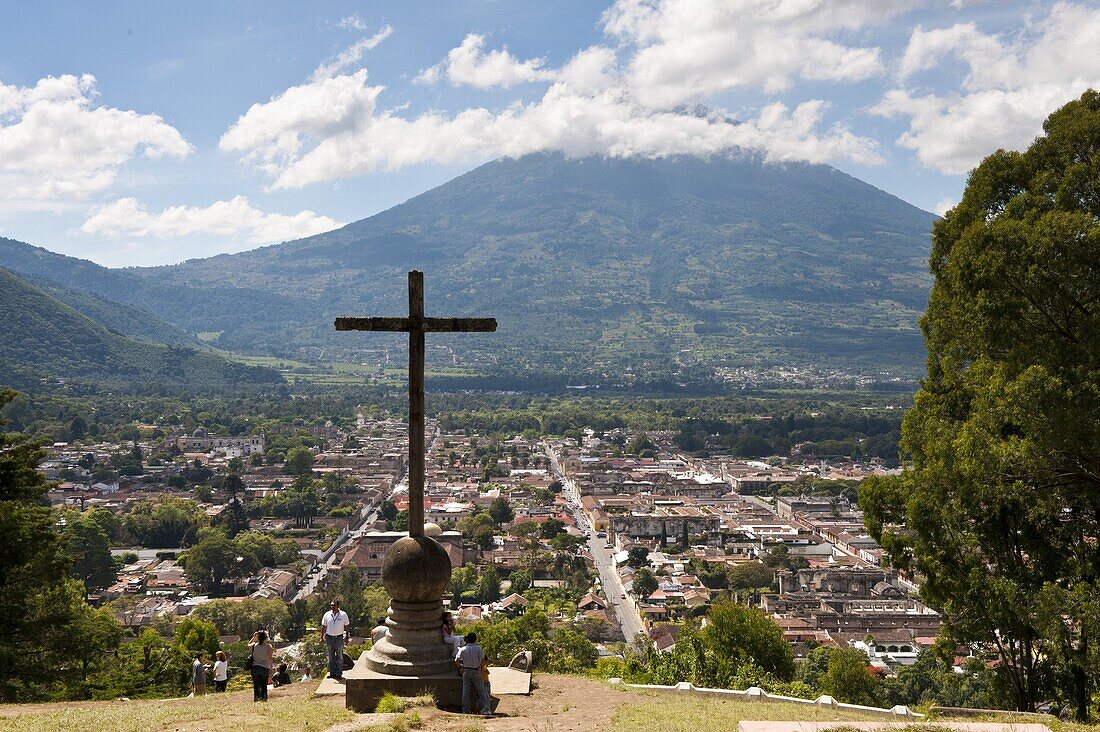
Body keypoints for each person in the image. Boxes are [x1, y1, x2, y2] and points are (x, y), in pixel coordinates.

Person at [455, 632, 490, 715]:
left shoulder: (463, 649)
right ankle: (484, 709)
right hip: (476, 671)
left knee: (465, 691)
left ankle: (466, 710)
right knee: (481, 691)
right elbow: (482, 661)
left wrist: (461, 667)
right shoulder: (478, 649)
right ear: (475, 639)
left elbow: (456, 660)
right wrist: (481, 669)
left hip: (466, 671)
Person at [321, 600, 350, 681]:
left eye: (333, 605)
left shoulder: (343, 614)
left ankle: (339, 673)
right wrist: (321, 637)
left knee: (339, 657)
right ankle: (332, 673)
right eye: (331, 605)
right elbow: (324, 626)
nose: (332, 607)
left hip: (339, 638)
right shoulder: (327, 614)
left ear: (338, 606)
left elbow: (347, 626)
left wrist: (347, 637)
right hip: (329, 637)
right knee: (331, 656)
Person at [248, 630, 274, 702]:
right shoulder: (269, 646)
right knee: (264, 685)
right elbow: (270, 658)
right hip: (264, 667)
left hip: (255, 667)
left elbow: (248, 645)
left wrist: (254, 637)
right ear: (266, 637)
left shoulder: (254, 645)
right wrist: (271, 668)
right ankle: (264, 698)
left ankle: (256, 699)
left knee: (256, 685)